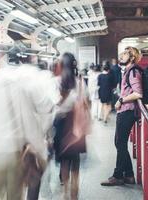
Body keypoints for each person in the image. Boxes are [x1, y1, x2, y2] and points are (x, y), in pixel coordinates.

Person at [101, 46, 143, 186]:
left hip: (128, 111)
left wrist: (121, 100)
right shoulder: (128, 71)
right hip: (124, 111)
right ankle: (129, 175)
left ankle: (118, 176)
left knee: (120, 142)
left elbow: (138, 93)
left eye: (125, 54)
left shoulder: (133, 71)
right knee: (120, 142)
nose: (121, 55)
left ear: (131, 57)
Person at [53, 52, 89, 200]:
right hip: (77, 127)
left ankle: (64, 194)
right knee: (76, 164)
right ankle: (74, 195)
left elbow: (53, 106)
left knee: (64, 163)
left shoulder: (56, 82)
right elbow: (86, 103)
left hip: (61, 126)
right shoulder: (80, 82)